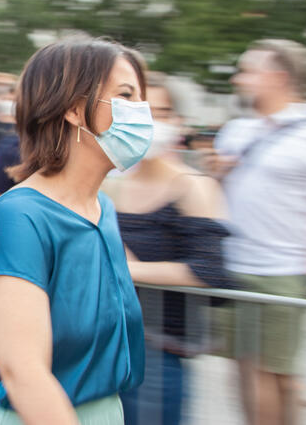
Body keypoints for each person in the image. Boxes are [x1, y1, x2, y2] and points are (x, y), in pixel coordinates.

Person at [0, 37, 147, 425]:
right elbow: (24, 372)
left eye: (141, 98)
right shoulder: (20, 215)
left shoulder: (103, 209)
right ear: (73, 109)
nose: (142, 111)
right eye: (126, 95)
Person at [102, 72, 231, 425]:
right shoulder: (112, 184)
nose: (150, 122)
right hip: (105, 345)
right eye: (138, 111)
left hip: (159, 353)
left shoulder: (193, 188)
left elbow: (211, 271)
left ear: (177, 120)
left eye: (160, 112)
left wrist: (130, 268)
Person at [212, 39, 306, 425]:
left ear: (278, 78)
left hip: (281, 273)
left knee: (277, 377)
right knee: (245, 370)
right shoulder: (236, 130)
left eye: (249, 70)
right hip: (234, 269)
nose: (240, 79)